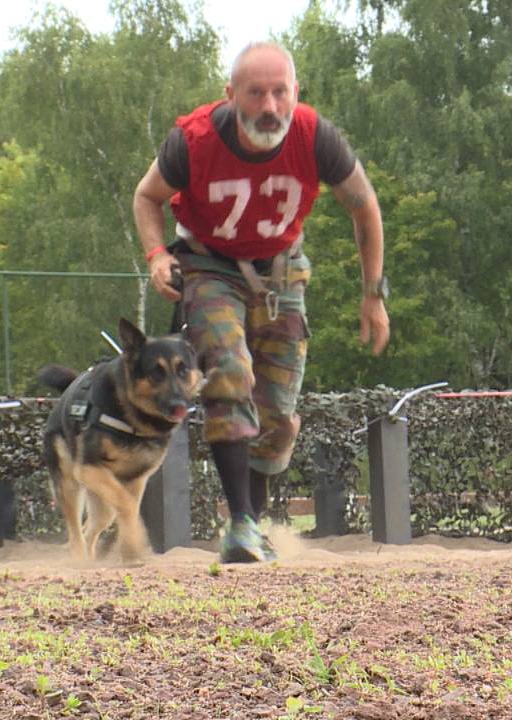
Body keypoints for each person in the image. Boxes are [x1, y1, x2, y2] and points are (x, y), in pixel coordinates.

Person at [132, 41, 389, 563]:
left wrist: (373, 295)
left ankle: (251, 522)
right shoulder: (194, 140)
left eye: (279, 93)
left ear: (296, 92)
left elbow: (365, 208)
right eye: (255, 94)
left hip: (281, 273)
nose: (269, 107)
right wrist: (157, 255)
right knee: (230, 372)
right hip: (209, 266)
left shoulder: (316, 137)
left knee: (277, 414)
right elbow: (146, 196)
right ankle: (242, 524)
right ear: (230, 95)